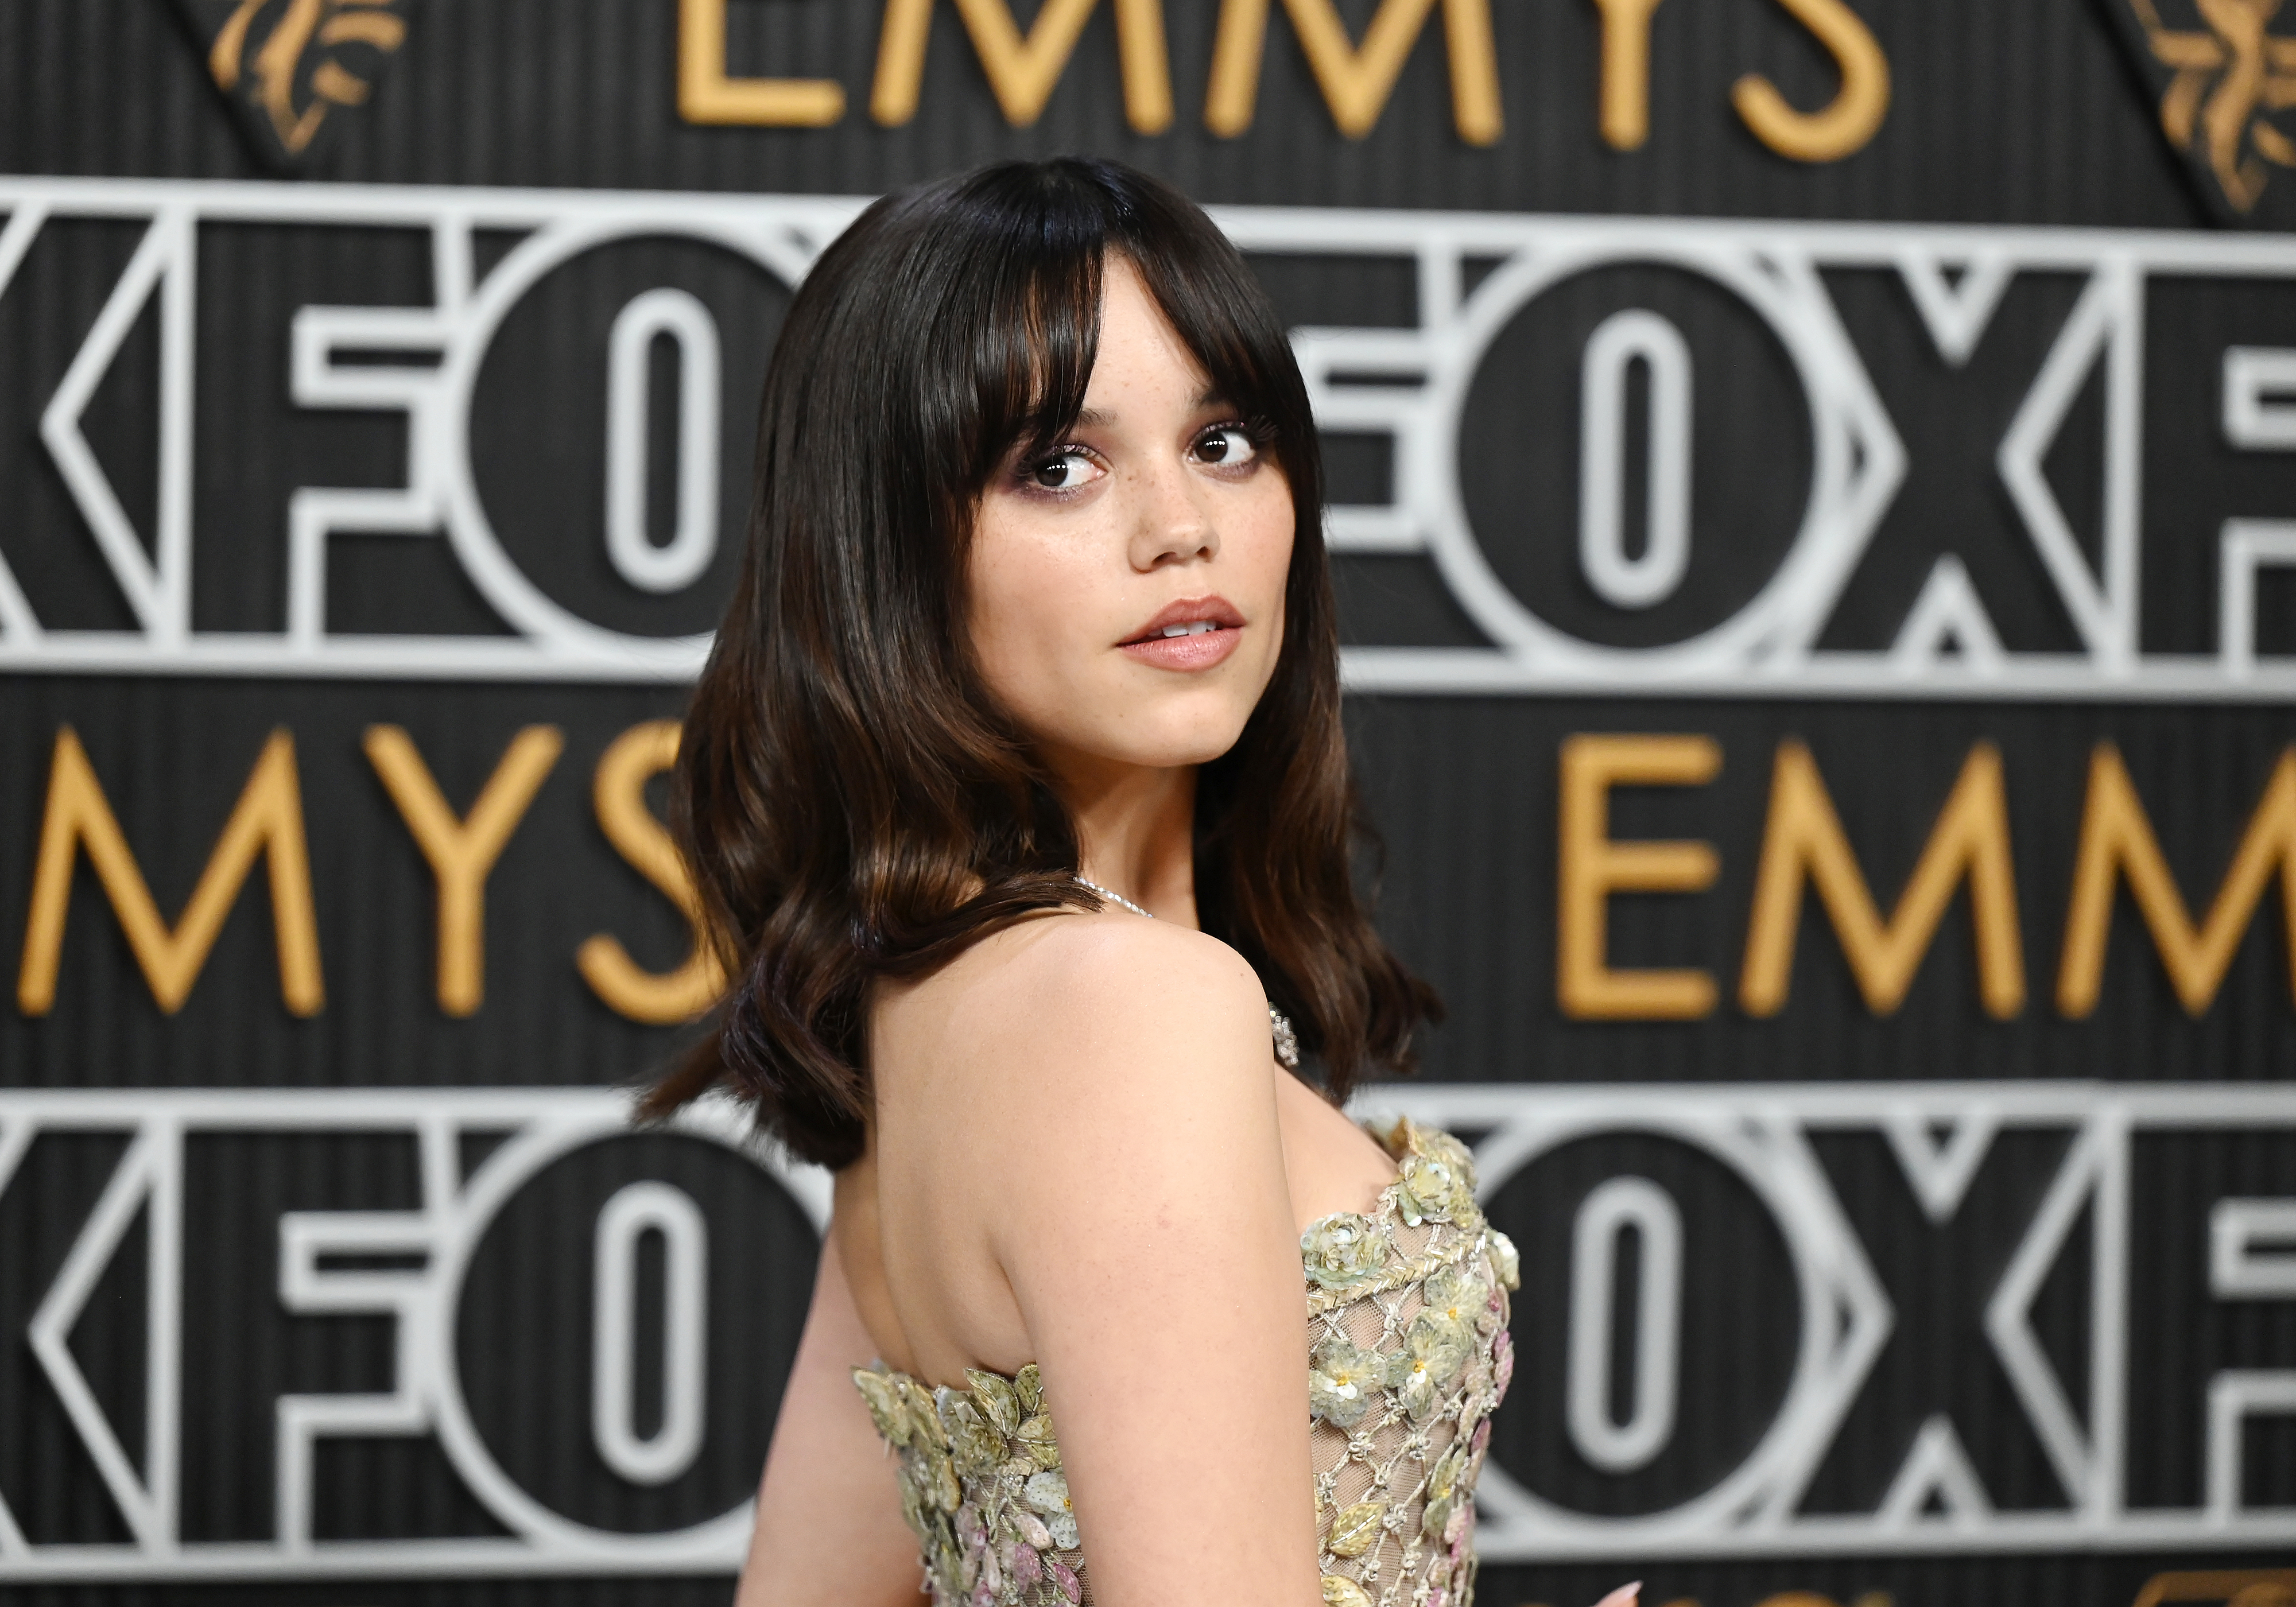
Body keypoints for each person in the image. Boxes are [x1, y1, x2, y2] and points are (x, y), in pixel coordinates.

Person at [653, 157, 1618, 1607]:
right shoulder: (1130, 1008)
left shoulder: (925, 1018)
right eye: (1059, 464)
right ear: (888, 554)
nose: (1181, 523)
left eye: (1225, 439)